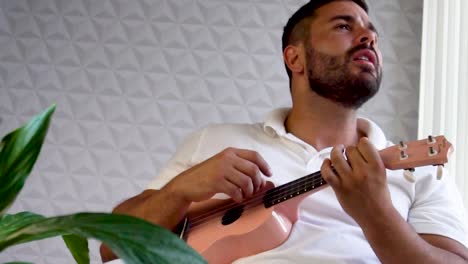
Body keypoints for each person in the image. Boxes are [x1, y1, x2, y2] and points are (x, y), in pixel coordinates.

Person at [101, 0, 468, 263]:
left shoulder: (416, 169)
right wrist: (180, 190)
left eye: (372, 33)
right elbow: (110, 248)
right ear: (295, 58)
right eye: (344, 26)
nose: (367, 38)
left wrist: (376, 214)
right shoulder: (215, 141)